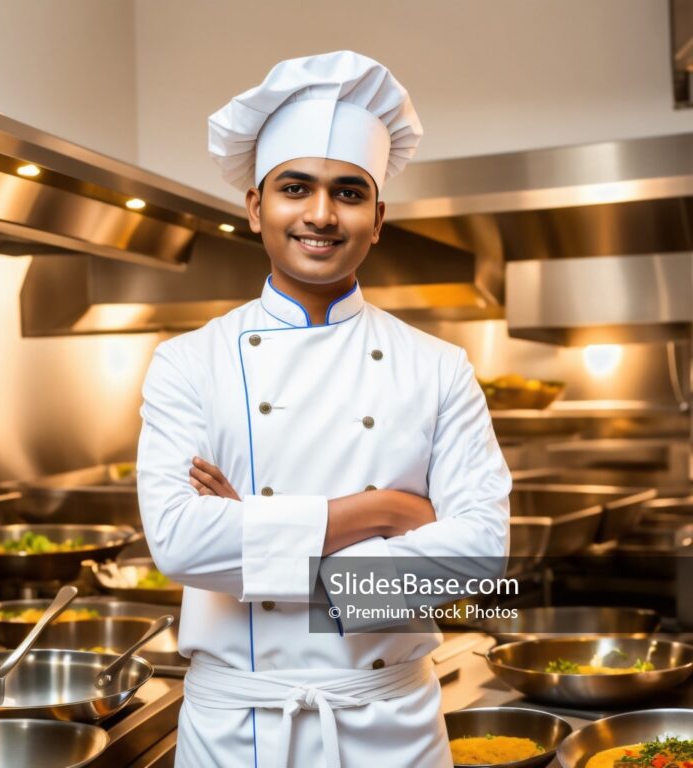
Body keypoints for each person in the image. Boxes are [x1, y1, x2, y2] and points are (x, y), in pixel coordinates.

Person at [137, 50, 511, 768]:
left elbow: (479, 562)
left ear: (377, 218)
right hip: (237, 731)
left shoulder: (438, 367)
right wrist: (386, 513)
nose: (319, 214)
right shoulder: (189, 362)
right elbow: (181, 544)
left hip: (389, 725)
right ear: (255, 207)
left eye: (347, 192)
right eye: (294, 187)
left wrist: (253, 538)